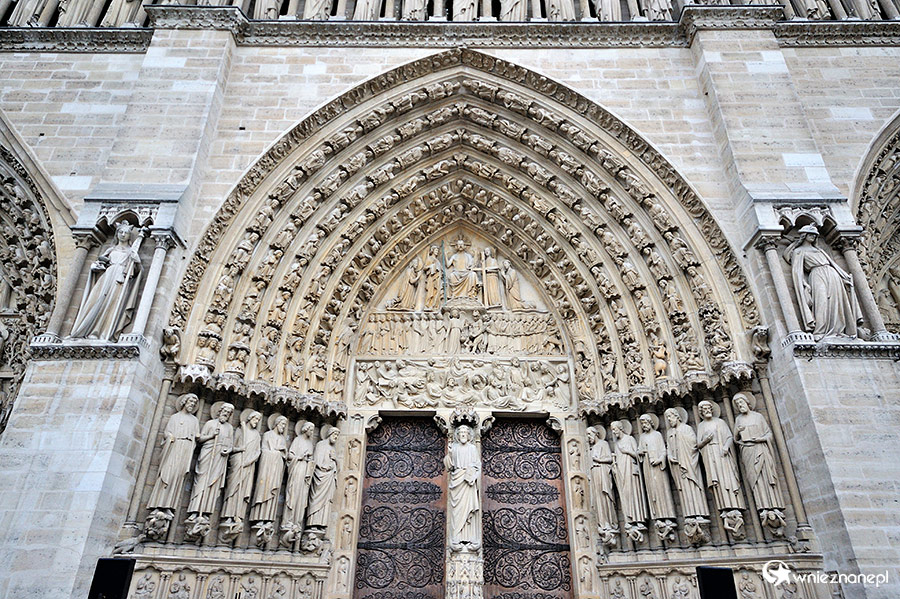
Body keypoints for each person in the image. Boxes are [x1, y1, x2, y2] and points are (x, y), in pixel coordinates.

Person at [70, 221, 143, 341]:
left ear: (130, 235)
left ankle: (100, 332)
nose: (123, 235)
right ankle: (87, 329)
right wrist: (95, 267)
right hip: (107, 276)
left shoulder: (131, 251)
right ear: (116, 234)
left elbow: (136, 271)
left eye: (126, 233)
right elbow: (100, 262)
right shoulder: (111, 250)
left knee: (112, 304)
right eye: (121, 232)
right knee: (98, 300)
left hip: (120, 279)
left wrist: (137, 261)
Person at [787, 224, 862, 338]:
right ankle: (821, 331)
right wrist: (804, 283)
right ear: (804, 235)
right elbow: (797, 271)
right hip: (817, 275)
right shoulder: (799, 251)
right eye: (810, 234)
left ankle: (838, 330)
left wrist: (844, 276)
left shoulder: (819, 250)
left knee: (836, 302)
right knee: (822, 302)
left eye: (815, 234)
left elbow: (832, 264)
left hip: (832, 275)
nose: (813, 236)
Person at [147, 394, 200, 512]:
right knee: (167, 474)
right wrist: (170, 436)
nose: (192, 404)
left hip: (186, 449)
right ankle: (157, 505)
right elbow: (167, 432)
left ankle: (169, 506)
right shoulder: (175, 417)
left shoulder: (194, 420)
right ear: (184, 402)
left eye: (194, 403)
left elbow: (197, 436)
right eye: (190, 402)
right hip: (174, 446)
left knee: (178, 477)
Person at [445, 425, 481, 551]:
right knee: (457, 512)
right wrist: (449, 454)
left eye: (465, 433)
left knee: (469, 510)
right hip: (457, 481)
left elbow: (477, 465)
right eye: (461, 434)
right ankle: (456, 538)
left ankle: (470, 538)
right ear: (457, 436)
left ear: (469, 435)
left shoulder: (472, 448)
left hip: (468, 482)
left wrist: (472, 474)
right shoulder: (454, 448)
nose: (463, 435)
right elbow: (449, 466)